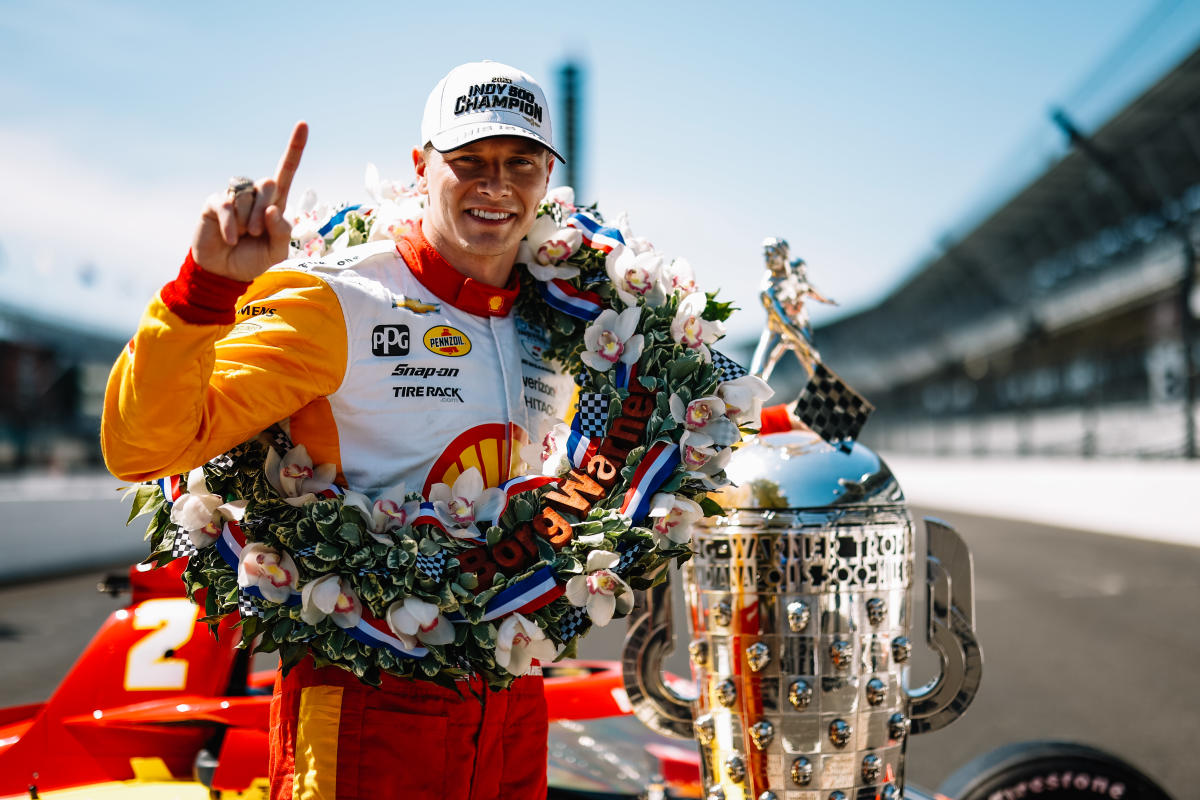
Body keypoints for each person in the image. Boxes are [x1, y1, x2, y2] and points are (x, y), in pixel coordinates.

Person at [102, 60, 576, 800]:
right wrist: (204, 292)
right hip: (365, 701)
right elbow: (144, 447)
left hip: (511, 703)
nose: (497, 185)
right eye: (469, 162)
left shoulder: (563, 318)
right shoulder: (339, 300)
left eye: (520, 163)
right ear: (422, 168)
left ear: (547, 173)